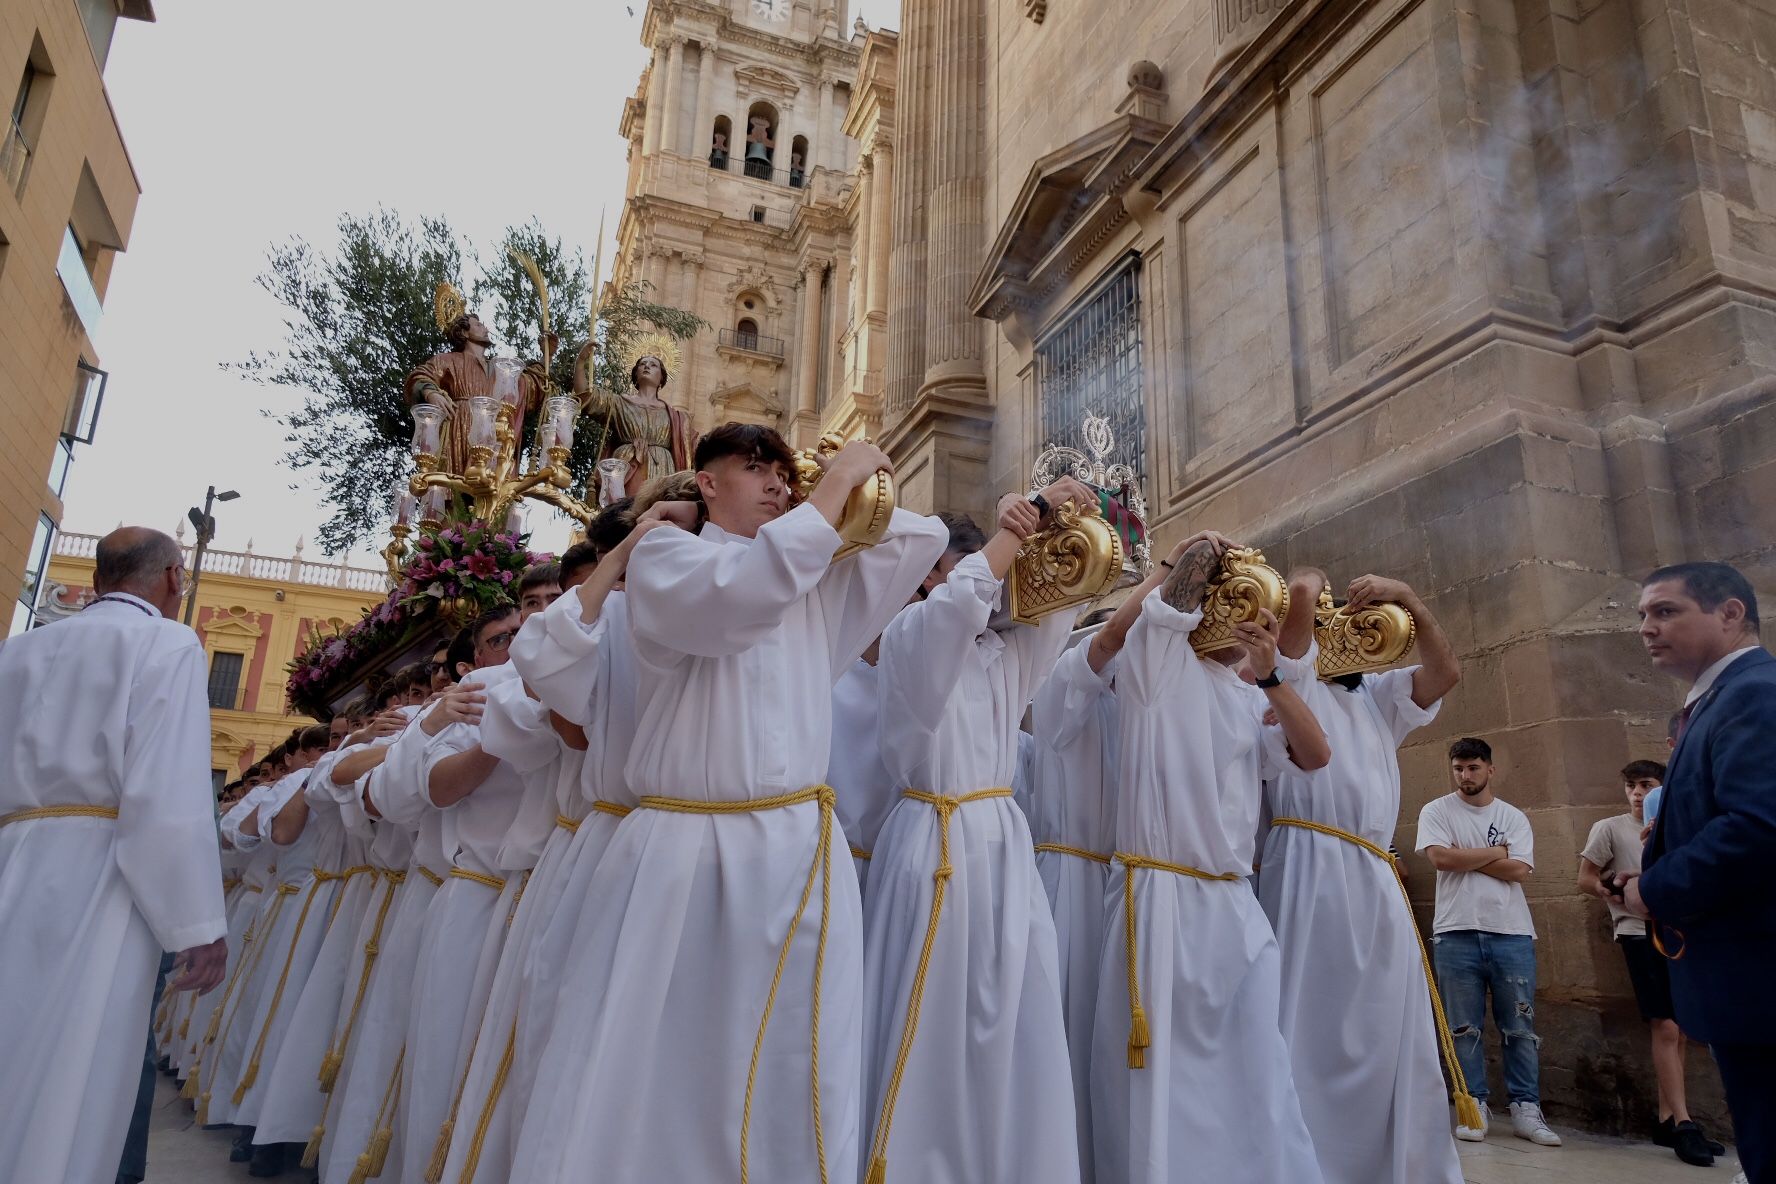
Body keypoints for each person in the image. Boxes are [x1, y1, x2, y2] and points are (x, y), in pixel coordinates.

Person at [507, 423, 947, 1183]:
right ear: (704, 483)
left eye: (785, 472)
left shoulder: (807, 566)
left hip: (797, 854)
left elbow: (916, 539)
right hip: (691, 854)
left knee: (797, 1067)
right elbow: (736, 600)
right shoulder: (671, 559)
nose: (779, 483)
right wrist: (832, 489)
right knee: (673, 1072)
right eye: (755, 470)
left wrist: (825, 496)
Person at [860, 482, 1094, 1184]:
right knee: (932, 1022)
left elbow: (1054, 617)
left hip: (998, 844)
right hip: (934, 841)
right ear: (929, 576)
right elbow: (957, 608)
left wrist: (1069, 528)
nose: (996, 588)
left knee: (1013, 1015)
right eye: (974, 569)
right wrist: (1013, 531)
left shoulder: (1003, 655)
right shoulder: (908, 637)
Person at [1089, 532, 1332, 1184]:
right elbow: (1171, 601)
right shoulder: (1157, 668)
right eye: (1248, 608)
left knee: (1253, 1067)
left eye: (1267, 618)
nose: (1259, 625)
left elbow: (1315, 755)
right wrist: (1203, 547)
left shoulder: (1254, 695)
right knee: (1162, 1084)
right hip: (1160, 896)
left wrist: (1274, 671)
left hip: (1232, 902)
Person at [0, 527, 228, 1183]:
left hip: (14, 857)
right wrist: (197, 926)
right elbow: (164, 794)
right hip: (102, 871)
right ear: (174, 580)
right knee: (79, 1060)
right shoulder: (166, 641)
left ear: (98, 580)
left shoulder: (17, 650)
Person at [1258, 570, 1466, 1184]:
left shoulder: (1377, 697)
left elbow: (1444, 673)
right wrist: (1305, 587)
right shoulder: (1284, 687)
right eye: (1324, 622)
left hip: (1372, 874)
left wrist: (1410, 601)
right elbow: (1292, 652)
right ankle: (1306, 1164)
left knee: (1384, 1028)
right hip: (1305, 868)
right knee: (1307, 1024)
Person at [1625, 561, 1776, 1183]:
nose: (1647, 629)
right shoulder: (1718, 698)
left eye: (1666, 611)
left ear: (1730, 613)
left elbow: (1758, 825)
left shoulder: (1754, 692)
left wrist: (1649, 889)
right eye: (1642, 617)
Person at [1415, 737, 1560, 1146]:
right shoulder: (1437, 810)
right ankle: (1472, 1102)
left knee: (1520, 1024)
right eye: (1459, 768)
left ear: (1490, 769)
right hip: (1455, 930)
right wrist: (1495, 852)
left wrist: (1470, 855)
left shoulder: (1511, 816)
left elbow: (1519, 870)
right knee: (1463, 1026)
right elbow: (1441, 859)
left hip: (1510, 931)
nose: (1466, 775)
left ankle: (1526, 1107)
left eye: (1474, 767)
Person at [1579, 758, 1723, 1167]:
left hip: (1678, 932)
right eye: (1630, 786)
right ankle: (1684, 1122)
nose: (1637, 793)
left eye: (1645, 785)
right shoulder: (1609, 828)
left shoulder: (1674, 824)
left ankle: (1667, 1117)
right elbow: (1585, 876)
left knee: (1679, 1030)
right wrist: (1609, 892)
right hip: (1637, 933)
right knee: (1666, 1024)